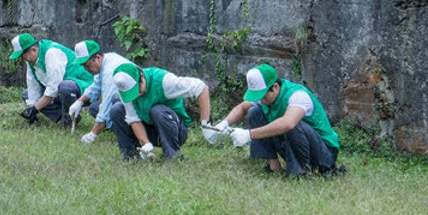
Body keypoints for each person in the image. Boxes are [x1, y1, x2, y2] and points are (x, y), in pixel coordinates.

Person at [213, 64, 343, 177]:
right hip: (294, 145)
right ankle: (273, 165)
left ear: (275, 87)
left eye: (263, 96)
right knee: (255, 111)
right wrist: (224, 124)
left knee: (291, 124)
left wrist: (248, 134)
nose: (261, 100)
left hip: (323, 153)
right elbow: (242, 108)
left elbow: (288, 123)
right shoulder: (267, 96)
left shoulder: (297, 96)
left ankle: (302, 172)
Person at [108, 62, 210, 160]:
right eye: (131, 93)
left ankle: (172, 156)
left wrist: (205, 123)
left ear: (142, 77)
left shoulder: (164, 81)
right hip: (151, 128)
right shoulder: (126, 90)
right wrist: (146, 143)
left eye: (137, 90)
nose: (136, 96)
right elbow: (133, 119)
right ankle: (131, 156)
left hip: (175, 130)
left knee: (157, 110)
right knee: (116, 110)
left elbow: (201, 88)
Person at [9, 32, 93, 126]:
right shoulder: (31, 62)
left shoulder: (51, 53)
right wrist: (32, 109)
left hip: (83, 86)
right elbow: (33, 88)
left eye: (23, 56)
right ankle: (63, 117)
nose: (23, 60)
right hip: (60, 89)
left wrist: (35, 109)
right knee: (26, 95)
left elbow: (54, 88)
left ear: (33, 49)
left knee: (65, 87)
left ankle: (69, 119)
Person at [69, 40, 132, 145]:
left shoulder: (110, 71)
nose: (86, 69)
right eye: (84, 66)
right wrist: (79, 102)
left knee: (114, 104)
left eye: (87, 65)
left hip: (135, 106)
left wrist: (93, 134)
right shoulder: (106, 59)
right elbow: (95, 86)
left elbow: (106, 105)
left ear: (97, 57)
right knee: (94, 108)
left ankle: (129, 134)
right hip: (126, 103)